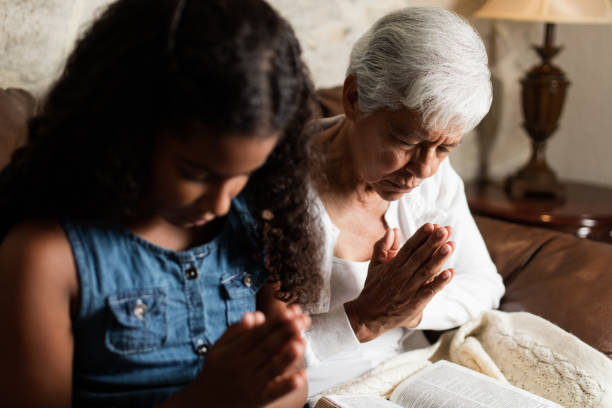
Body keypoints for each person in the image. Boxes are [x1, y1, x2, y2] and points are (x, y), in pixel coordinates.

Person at [0, 0, 323, 407]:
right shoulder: (45, 257)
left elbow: (295, 388)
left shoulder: (261, 220)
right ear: (129, 131)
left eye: (244, 174)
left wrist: (276, 379)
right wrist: (208, 399)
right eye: (197, 173)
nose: (222, 204)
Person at [303, 7, 505, 396]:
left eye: (445, 147)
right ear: (354, 97)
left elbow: (485, 285)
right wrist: (363, 318)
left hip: (412, 378)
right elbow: (239, 348)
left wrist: (413, 310)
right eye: (406, 140)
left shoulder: (434, 181)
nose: (425, 169)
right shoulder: (276, 183)